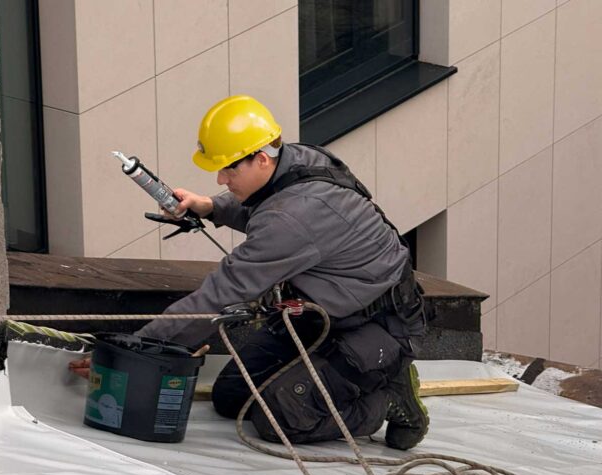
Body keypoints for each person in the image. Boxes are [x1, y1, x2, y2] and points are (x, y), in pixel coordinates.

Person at [70, 95, 429, 450]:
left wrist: (135, 353)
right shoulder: (296, 159)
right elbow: (267, 207)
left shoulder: (297, 216)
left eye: (229, 168)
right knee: (230, 398)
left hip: (379, 329)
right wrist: (210, 207)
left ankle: (391, 398)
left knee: (283, 418)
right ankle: (331, 379)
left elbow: (221, 294)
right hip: (320, 317)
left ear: (260, 158)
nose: (221, 178)